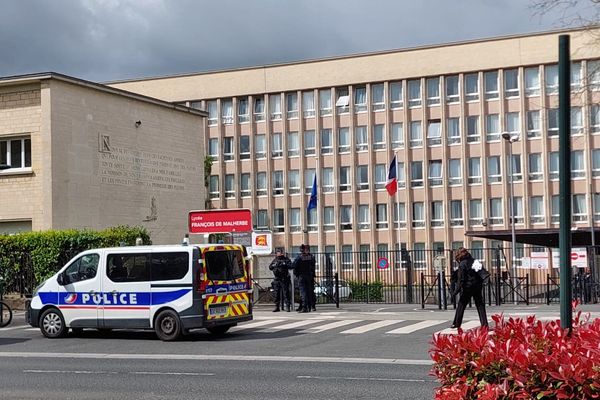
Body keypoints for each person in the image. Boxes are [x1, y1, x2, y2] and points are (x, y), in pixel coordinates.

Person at [451, 247, 488, 329]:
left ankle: (456, 323)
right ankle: (484, 324)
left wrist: (456, 291)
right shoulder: (474, 261)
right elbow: (482, 273)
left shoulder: (462, 264)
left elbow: (461, 279)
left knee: (461, 305)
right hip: (477, 286)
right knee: (480, 305)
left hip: (468, 287)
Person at [293, 244, 316, 313]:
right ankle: (309, 306)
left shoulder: (299, 257)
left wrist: (296, 273)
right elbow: (312, 266)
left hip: (302, 276)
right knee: (309, 292)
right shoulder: (310, 257)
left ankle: (304, 307)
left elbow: (294, 266)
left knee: (303, 292)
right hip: (309, 276)